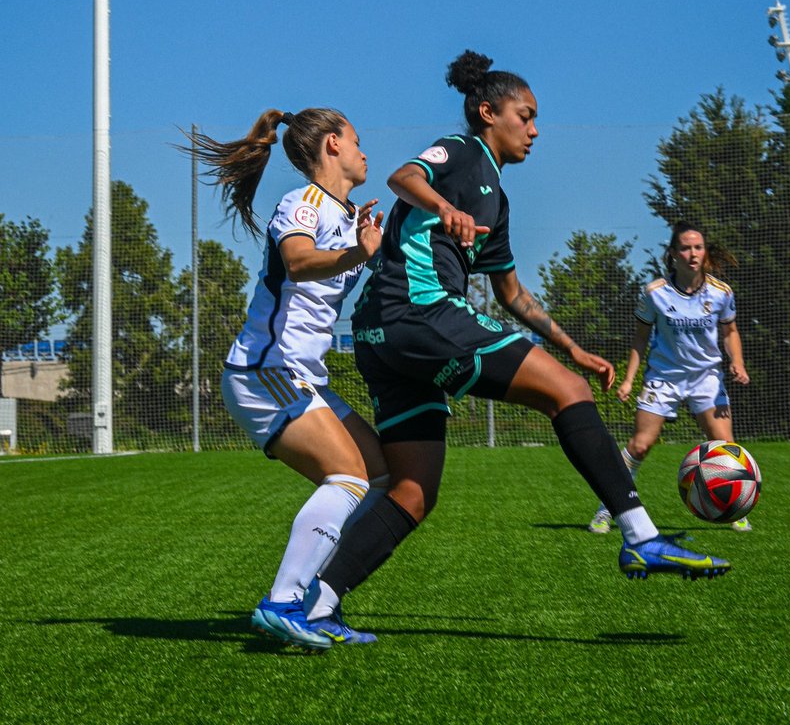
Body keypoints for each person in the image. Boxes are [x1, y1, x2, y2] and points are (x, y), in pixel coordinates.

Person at [291, 52, 731, 649]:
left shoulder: (496, 198)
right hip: (417, 311)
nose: (535, 129)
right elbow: (402, 177)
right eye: (525, 116)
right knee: (567, 398)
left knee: (413, 492)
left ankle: (318, 603)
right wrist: (444, 206)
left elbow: (513, 293)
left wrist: (573, 348)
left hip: (381, 334)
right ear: (487, 112)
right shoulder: (462, 150)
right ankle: (641, 536)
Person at [186, 108, 388, 651]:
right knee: (347, 477)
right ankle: (282, 602)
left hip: (302, 377)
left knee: (380, 474)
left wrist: (368, 245)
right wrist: (356, 251)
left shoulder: (347, 217)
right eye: (357, 139)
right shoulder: (300, 204)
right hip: (263, 372)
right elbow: (297, 261)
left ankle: (317, 606)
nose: (364, 152)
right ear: (330, 146)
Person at [588, 222, 752, 535]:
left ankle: (732, 509)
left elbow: (730, 332)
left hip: (707, 378)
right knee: (639, 445)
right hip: (663, 378)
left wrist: (738, 363)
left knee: (725, 447)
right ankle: (606, 509)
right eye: (686, 248)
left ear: (704, 253)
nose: (693, 254)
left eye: (699, 247)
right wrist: (627, 380)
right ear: (673, 254)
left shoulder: (721, 293)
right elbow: (640, 339)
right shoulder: (655, 293)